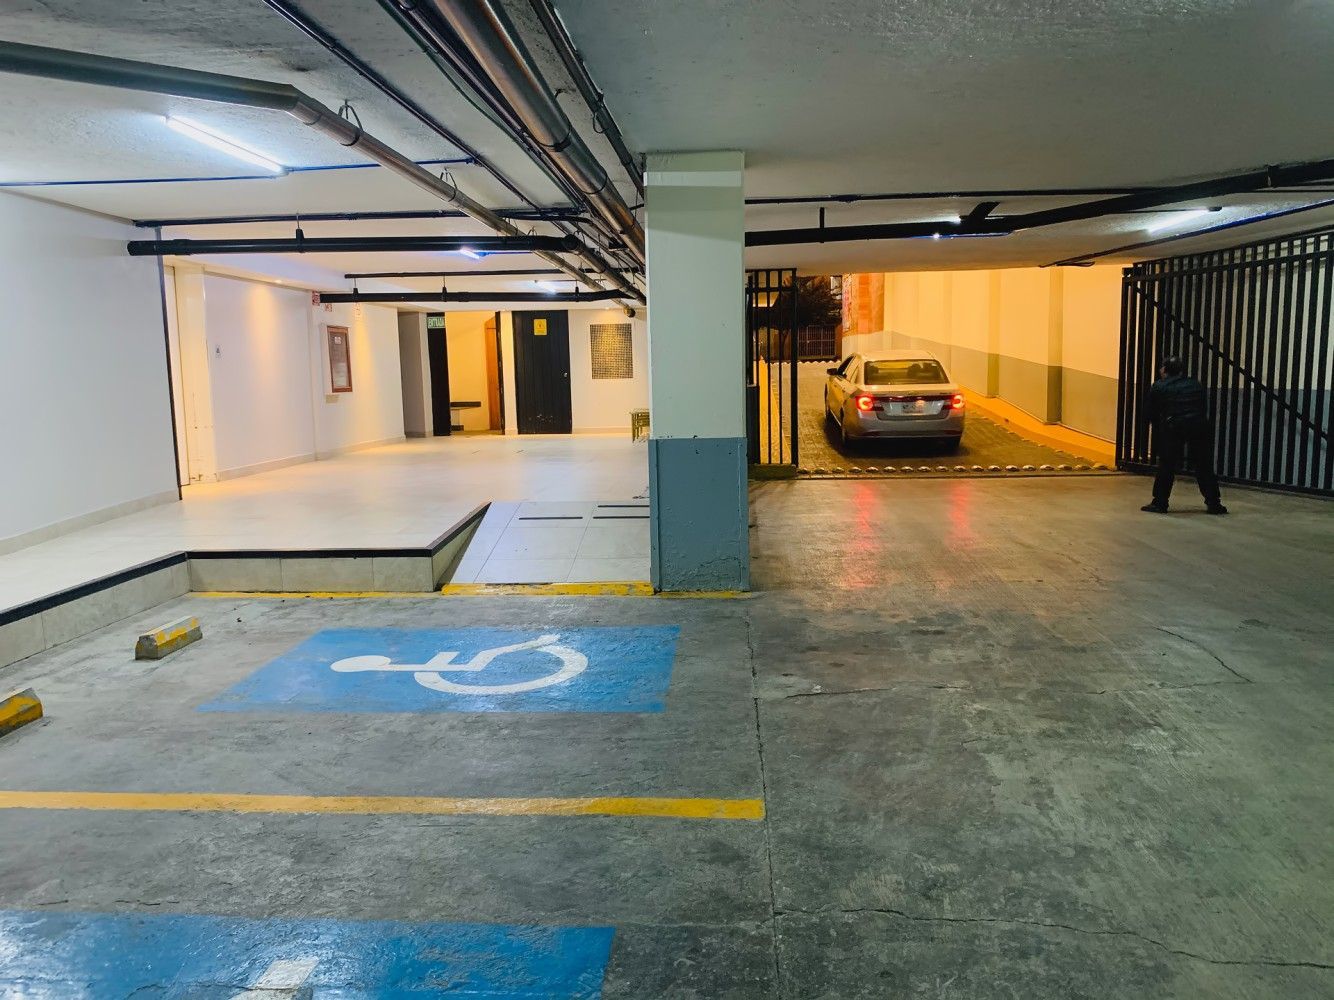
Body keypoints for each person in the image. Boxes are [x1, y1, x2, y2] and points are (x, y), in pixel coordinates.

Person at [1142, 357, 1227, 515]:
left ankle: (1160, 503)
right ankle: (1214, 503)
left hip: (1173, 427)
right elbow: (1202, 407)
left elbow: (1150, 412)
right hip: (1199, 426)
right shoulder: (1195, 384)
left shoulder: (1159, 386)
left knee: (1167, 466)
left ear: (1164, 370)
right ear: (1181, 370)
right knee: (1204, 465)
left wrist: (1158, 430)